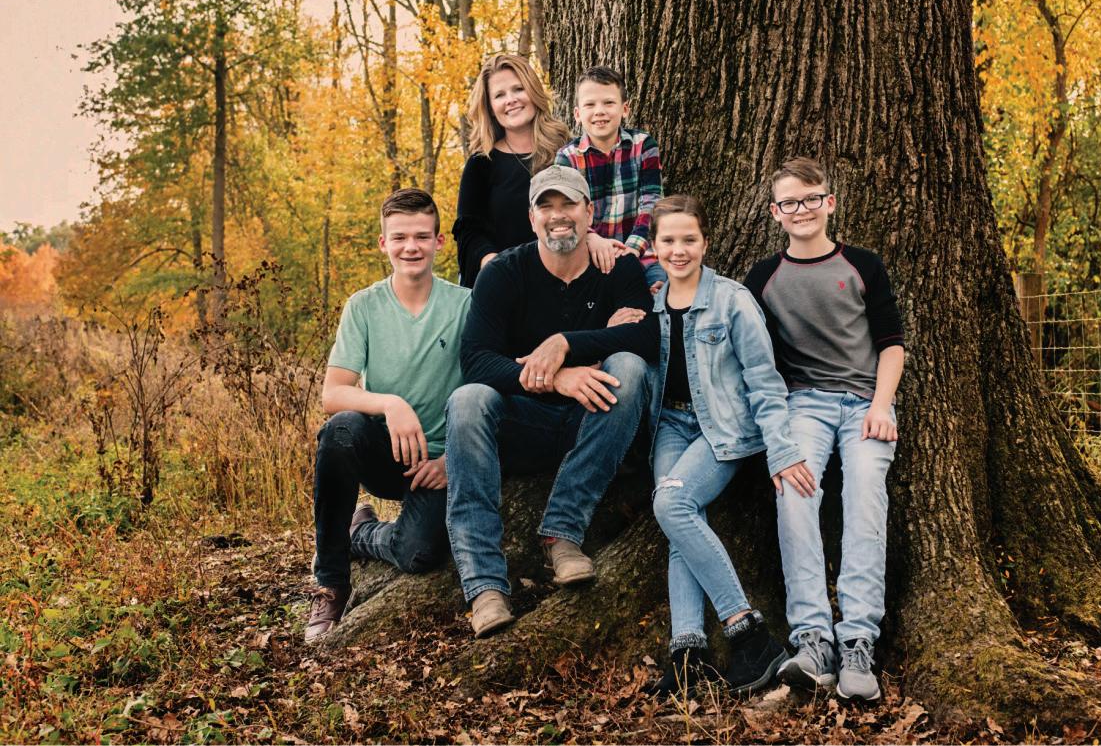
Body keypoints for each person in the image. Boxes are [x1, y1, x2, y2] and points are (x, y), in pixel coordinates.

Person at [444, 165, 658, 639]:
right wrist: (555, 377)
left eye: (568, 204)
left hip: (597, 422)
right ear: (531, 217)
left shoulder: (618, 267)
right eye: (546, 206)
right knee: (467, 401)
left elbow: (646, 337)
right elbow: (477, 361)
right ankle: (484, 587)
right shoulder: (503, 272)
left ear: (590, 212)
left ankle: (562, 534)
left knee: (628, 367)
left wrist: (566, 343)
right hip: (526, 423)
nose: (558, 215)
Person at [632, 195, 816, 698]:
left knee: (672, 504)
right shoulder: (651, 304)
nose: (679, 250)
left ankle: (749, 633)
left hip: (723, 429)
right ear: (654, 247)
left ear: (705, 242)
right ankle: (688, 654)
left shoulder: (732, 300)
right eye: (668, 240)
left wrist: (780, 450)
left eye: (689, 239)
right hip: (670, 427)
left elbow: (764, 381)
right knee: (678, 520)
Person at [744, 157, 905, 703]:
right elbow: (752, 356)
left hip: (865, 404)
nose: (802, 210)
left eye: (811, 199)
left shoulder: (862, 265)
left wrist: (881, 405)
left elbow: (892, 345)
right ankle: (813, 641)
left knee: (864, 496)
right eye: (789, 202)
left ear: (829, 203)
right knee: (794, 492)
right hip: (802, 405)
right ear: (775, 213)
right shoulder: (763, 279)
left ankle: (858, 642)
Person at [305, 188, 471, 643]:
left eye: (421, 236)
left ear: (439, 242)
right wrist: (389, 404)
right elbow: (333, 393)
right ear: (383, 243)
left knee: (418, 553)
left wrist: (453, 460)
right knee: (340, 430)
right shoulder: (363, 306)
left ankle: (361, 532)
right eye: (399, 237)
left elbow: (489, 386)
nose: (410, 247)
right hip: (385, 452)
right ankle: (331, 582)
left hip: (438, 465)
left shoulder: (466, 305)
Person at [451, 53, 572, 288]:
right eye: (499, 95)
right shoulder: (481, 164)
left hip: (563, 281)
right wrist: (494, 265)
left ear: (533, 91)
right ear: (490, 107)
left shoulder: (567, 153)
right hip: (503, 284)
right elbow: (469, 232)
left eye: (518, 89)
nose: (511, 100)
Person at [555, 66, 665, 290]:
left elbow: (652, 203)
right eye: (590, 105)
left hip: (643, 253)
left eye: (608, 103)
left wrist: (632, 249)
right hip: (591, 256)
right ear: (577, 114)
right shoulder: (567, 157)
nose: (599, 111)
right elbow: (566, 211)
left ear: (624, 109)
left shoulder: (643, 145)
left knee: (662, 293)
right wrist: (592, 238)